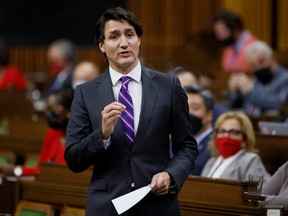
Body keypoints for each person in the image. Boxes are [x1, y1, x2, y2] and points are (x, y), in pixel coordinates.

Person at [65, 7, 198, 216]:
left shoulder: (168, 85)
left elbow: (187, 146)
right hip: (107, 207)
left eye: (129, 34)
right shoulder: (85, 92)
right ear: (102, 45)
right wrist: (102, 134)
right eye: (114, 36)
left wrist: (170, 174)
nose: (124, 43)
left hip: (157, 205)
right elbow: (73, 159)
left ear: (139, 40)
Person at [0, 88, 74, 176]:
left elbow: (64, 173)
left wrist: (18, 170)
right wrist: (17, 170)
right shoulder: (53, 133)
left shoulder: (78, 138)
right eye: (48, 110)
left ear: (69, 111)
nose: (51, 114)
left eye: (55, 110)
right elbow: (39, 169)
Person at [201, 111, 271, 183]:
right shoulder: (211, 161)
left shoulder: (250, 160)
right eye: (222, 131)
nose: (226, 136)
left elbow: (256, 192)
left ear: (244, 139)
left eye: (233, 132)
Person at [228, 41, 288, 117]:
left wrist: (250, 92)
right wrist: (237, 91)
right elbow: (238, 104)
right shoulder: (255, 79)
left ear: (273, 58)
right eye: (253, 66)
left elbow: (279, 104)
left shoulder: (285, 78)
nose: (259, 68)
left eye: (261, 61)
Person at [184, 85, 214, 176]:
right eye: (184, 107)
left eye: (195, 108)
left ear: (209, 115)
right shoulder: (173, 141)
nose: (188, 113)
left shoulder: (217, 144)